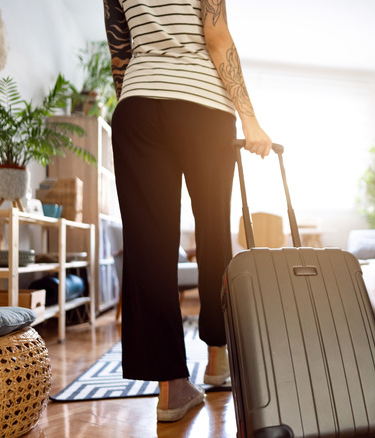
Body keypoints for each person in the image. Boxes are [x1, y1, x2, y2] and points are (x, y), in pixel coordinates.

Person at [103, 0, 272, 422]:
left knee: (148, 245)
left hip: (138, 105)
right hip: (203, 105)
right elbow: (216, 36)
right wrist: (250, 120)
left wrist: (140, 101)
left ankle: (171, 389)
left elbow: (120, 52)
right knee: (214, 232)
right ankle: (218, 360)